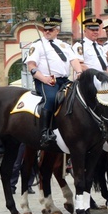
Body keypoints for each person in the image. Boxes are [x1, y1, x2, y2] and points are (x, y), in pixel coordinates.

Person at [25, 17, 83, 148]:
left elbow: (74, 60)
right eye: (45, 30)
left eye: (50, 30)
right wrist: (43, 78)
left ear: (57, 30)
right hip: (46, 81)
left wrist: (79, 72)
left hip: (64, 80)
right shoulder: (37, 45)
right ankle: (45, 132)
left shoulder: (65, 45)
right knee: (51, 99)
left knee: (77, 97)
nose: (46, 32)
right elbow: (31, 66)